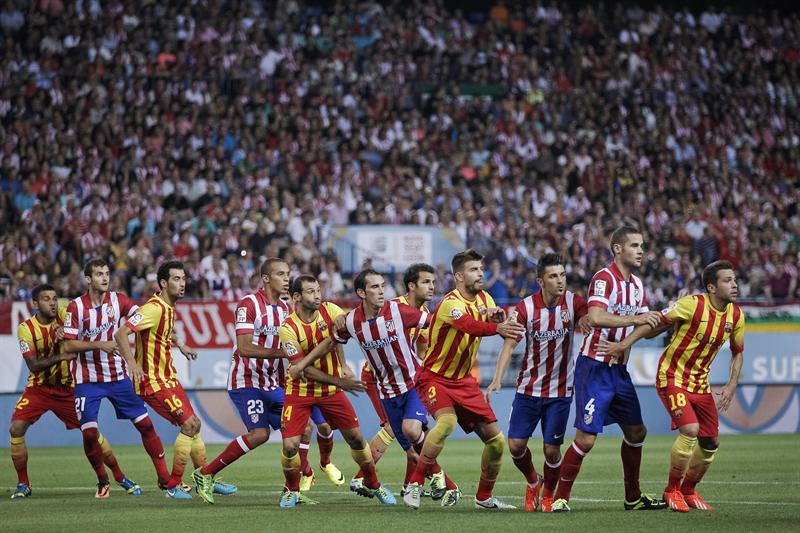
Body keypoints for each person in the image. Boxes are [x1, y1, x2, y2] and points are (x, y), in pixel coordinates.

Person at [294, 269, 456, 501]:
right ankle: (433, 479)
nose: (382, 291)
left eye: (383, 286)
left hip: (414, 384)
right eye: (375, 287)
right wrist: (303, 364)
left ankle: (433, 480)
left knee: (412, 430)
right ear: (361, 292)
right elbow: (330, 343)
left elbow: (437, 323)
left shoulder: (399, 311)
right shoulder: (351, 321)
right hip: (387, 393)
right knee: (412, 445)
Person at [192, 258, 342, 502]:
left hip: (274, 383)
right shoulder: (248, 304)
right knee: (259, 434)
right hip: (246, 381)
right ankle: (205, 474)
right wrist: (285, 353)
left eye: (288, 274)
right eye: (281, 274)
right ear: (266, 278)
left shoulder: (285, 309)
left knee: (304, 428)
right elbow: (244, 348)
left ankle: (291, 490)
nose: (286, 279)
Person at [599, 260, 744, 512]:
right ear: (711, 287)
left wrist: (731, 385)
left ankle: (688, 490)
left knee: (711, 442)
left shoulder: (737, 315)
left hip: (700, 384)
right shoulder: (692, 304)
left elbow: (737, 352)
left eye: (734, 280)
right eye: (727, 280)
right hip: (672, 377)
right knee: (690, 429)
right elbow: (653, 322)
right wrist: (625, 344)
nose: (734, 285)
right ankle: (671, 490)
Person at [550, 226, 666, 512]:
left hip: (619, 372)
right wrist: (637, 320)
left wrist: (662, 322)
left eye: (642, 246)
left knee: (637, 432)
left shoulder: (637, 285)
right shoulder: (604, 279)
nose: (641, 251)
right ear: (617, 249)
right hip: (595, 368)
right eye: (635, 245)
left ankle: (633, 497)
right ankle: (557, 498)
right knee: (585, 439)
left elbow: (644, 326)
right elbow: (596, 316)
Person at [402, 249, 526, 510]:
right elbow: (470, 325)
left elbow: (491, 314)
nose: (480, 273)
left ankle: (483, 497)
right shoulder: (450, 303)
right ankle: (414, 485)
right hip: (436, 377)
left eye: (481, 269)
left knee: (496, 442)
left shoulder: (486, 297)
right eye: (473, 270)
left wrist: (498, 317)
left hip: (464, 381)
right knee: (446, 423)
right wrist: (497, 327)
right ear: (459, 276)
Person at [114, 261, 237, 499]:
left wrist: (180, 343)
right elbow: (120, 334)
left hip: (168, 378)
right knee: (189, 425)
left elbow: (164, 330)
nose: (182, 284)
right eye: (176, 279)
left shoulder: (168, 307)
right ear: (163, 283)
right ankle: (173, 485)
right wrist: (132, 364)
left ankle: (204, 478)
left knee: (196, 425)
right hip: (153, 382)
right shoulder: (154, 308)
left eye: (183, 279)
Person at [10, 284, 140, 499]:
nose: (52, 303)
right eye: (46, 299)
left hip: (69, 388)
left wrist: (69, 334)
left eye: (54, 298)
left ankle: (120, 476)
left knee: (92, 433)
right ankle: (23, 484)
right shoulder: (26, 328)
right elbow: (33, 365)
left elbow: (83, 331)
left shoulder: (65, 314)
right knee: (16, 428)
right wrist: (61, 356)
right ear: (35, 303)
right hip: (39, 389)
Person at [277, 275, 395, 508]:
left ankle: (373, 483)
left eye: (319, 290)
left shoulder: (330, 310)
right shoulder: (287, 329)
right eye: (311, 291)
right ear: (296, 297)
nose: (318, 295)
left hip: (330, 390)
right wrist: (340, 382)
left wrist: (342, 365)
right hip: (300, 391)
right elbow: (303, 370)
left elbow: (339, 335)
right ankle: (291, 490)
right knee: (290, 445)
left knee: (356, 438)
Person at [485, 253, 590, 512]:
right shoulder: (526, 308)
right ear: (541, 281)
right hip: (528, 389)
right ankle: (534, 481)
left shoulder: (573, 302)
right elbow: (509, 345)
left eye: (562, 275)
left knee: (552, 450)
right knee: (515, 445)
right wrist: (497, 379)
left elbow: (590, 315)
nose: (560, 281)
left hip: (560, 392)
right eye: (553, 276)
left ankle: (547, 495)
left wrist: (589, 321)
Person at [63, 259, 171, 495]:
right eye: (99, 274)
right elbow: (68, 345)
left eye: (107, 273)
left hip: (118, 376)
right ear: (88, 279)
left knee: (146, 425)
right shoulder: (75, 308)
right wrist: (99, 343)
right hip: (87, 380)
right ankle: (103, 480)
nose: (105, 278)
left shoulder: (119, 300)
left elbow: (142, 318)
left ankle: (165, 478)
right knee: (90, 433)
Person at [352, 263, 445, 498]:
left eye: (433, 282)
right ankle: (361, 477)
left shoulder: (421, 315)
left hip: (405, 378)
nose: (432, 287)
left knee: (415, 430)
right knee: (395, 428)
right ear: (412, 286)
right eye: (426, 282)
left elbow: (424, 346)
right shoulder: (395, 308)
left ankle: (410, 485)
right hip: (378, 378)